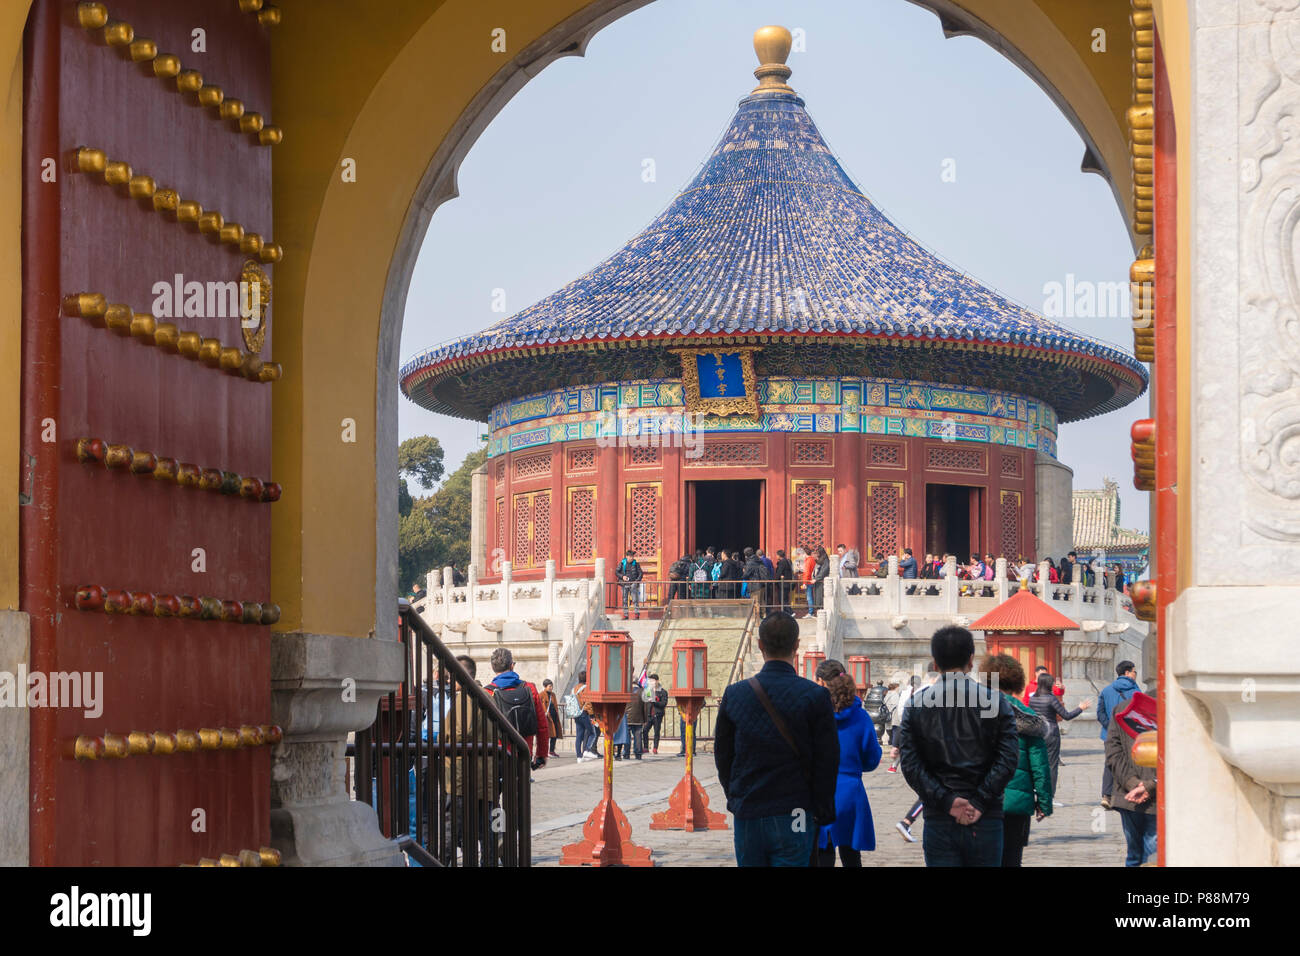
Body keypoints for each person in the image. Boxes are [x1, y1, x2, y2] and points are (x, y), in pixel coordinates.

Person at [715, 612, 839, 867]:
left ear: (760, 644)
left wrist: (735, 796)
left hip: (749, 808)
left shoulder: (735, 694)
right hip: (795, 809)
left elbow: (723, 756)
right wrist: (822, 809)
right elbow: (827, 760)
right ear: (796, 645)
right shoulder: (815, 696)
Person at [898, 626, 1019, 866]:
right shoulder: (996, 701)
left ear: (935, 662)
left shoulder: (916, 704)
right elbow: (1008, 759)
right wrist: (980, 801)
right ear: (971, 660)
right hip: (986, 816)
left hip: (939, 816)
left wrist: (947, 801)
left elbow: (911, 765)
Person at [982, 654, 1053, 867]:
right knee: (1012, 858)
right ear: (1017, 681)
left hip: (981, 799)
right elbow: (1040, 766)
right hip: (1016, 803)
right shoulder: (1029, 717)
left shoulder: (975, 712)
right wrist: (1044, 802)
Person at [812, 659, 881, 867]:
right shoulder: (861, 716)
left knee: (823, 854)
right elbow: (872, 758)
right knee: (852, 857)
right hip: (851, 791)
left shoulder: (814, 714)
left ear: (821, 682)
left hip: (822, 790)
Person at [1104, 690, 1158, 866]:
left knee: (1134, 855)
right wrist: (1147, 785)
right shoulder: (1170, 708)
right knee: (1153, 856)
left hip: (1128, 794)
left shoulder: (1122, 708)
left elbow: (1112, 752)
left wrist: (1132, 783)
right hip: (1155, 796)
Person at [894, 670, 940, 841]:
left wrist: (896, 745)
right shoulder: (929, 695)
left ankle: (908, 822)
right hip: (927, 749)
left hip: (915, 749)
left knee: (929, 789)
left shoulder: (915, 695)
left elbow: (903, 722)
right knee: (929, 791)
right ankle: (907, 822)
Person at [484, 648, 548, 769]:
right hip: (523, 753)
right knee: (521, 787)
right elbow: (542, 725)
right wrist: (541, 754)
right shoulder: (529, 688)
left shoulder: (487, 692)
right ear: (512, 666)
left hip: (498, 754)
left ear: (493, 667)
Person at [1028, 672, 1091, 796]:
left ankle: (1037, 790)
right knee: (1052, 765)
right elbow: (1066, 716)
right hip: (1051, 734)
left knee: (1038, 764)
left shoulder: (1033, 698)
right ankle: (1049, 795)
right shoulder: (1051, 699)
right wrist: (1080, 708)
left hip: (1037, 733)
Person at [1097, 660, 1140, 807]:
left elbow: (1100, 713)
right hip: (1130, 734)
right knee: (1130, 763)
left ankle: (1106, 795)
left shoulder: (1106, 690)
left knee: (1111, 762)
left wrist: (1110, 728)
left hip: (1108, 734)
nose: (1135, 675)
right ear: (1127, 673)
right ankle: (1126, 794)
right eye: (1135, 672)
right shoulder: (1135, 691)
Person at [571, 670, 600, 763]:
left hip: (576, 714)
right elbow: (588, 702)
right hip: (585, 713)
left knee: (579, 735)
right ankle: (587, 750)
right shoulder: (587, 688)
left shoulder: (574, 688)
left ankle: (579, 756)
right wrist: (591, 714)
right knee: (592, 733)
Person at [621, 676, 646, 760]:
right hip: (639, 718)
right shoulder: (642, 691)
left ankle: (626, 753)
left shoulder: (626, 691)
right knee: (638, 736)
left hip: (627, 717)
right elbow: (645, 707)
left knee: (627, 736)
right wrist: (645, 719)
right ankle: (638, 753)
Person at [643, 673, 668, 754]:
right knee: (645, 730)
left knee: (656, 732)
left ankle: (655, 748)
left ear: (657, 681)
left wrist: (655, 701)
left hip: (658, 715)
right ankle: (646, 747)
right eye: (650, 681)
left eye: (653, 681)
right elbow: (645, 702)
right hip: (649, 715)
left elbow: (663, 704)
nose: (651, 682)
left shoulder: (663, 692)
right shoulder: (648, 690)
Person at [616, 549, 643, 619]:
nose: (632, 558)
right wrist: (622, 577)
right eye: (630, 556)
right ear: (627, 556)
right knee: (625, 599)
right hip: (624, 584)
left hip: (633, 583)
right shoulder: (622, 563)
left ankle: (637, 614)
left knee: (635, 599)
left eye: (632, 556)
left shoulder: (636, 564)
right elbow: (616, 572)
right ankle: (626, 615)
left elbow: (641, 573)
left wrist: (636, 581)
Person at [540, 678, 563, 757]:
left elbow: (555, 705)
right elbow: (540, 706)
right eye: (549, 686)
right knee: (547, 736)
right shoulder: (541, 694)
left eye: (551, 686)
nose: (551, 687)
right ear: (545, 686)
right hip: (547, 718)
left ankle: (552, 751)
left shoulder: (553, 695)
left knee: (554, 734)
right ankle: (545, 752)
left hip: (554, 717)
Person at [774, 549, 793, 615]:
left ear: (779, 555)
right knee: (784, 599)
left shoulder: (782, 562)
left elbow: (779, 572)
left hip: (784, 584)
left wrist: (774, 581)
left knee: (783, 599)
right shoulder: (786, 561)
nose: (776, 556)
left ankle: (790, 612)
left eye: (776, 555)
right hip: (785, 584)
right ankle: (786, 613)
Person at [811, 546, 831, 610]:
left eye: (818, 553)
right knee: (817, 597)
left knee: (820, 597)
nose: (817, 554)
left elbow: (824, 571)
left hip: (821, 581)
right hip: (818, 581)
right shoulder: (821, 559)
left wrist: (816, 578)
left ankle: (821, 610)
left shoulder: (825, 560)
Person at [802, 546, 818, 616]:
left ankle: (810, 612)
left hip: (808, 581)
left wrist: (805, 582)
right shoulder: (812, 559)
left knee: (809, 597)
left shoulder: (808, 560)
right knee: (811, 596)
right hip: (810, 580)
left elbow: (807, 572)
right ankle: (811, 611)